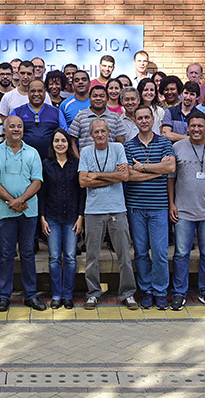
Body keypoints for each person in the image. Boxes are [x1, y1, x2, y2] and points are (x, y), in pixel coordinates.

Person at [169, 111, 205, 310]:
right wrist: (172, 203)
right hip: (184, 210)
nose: (196, 129)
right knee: (181, 253)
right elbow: (171, 178)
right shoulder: (177, 147)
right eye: (193, 125)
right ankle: (179, 293)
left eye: (200, 126)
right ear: (187, 127)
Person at [77, 119, 138, 310]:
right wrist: (111, 175)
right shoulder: (86, 152)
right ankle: (93, 293)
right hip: (94, 210)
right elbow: (83, 182)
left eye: (103, 131)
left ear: (109, 132)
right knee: (92, 256)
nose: (100, 135)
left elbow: (124, 176)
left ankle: (128, 293)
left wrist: (96, 175)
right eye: (96, 132)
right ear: (91, 134)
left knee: (124, 256)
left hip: (117, 209)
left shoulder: (118, 148)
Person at [0, 116, 46, 311]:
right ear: (5, 130)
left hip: (28, 212)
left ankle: (31, 295)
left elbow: (37, 181)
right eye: (11, 126)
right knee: (6, 254)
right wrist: (11, 201)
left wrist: (19, 201)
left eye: (19, 126)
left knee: (28, 253)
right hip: (4, 213)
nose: (15, 129)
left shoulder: (32, 152)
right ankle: (4, 296)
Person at [123, 105, 175, 309]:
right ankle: (146, 290)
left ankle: (160, 291)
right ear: (134, 121)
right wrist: (157, 170)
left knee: (160, 252)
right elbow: (129, 175)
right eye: (140, 118)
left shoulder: (164, 142)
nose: (144, 120)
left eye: (147, 117)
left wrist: (143, 167)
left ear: (153, 119)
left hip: (159, 206)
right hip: (136, 207)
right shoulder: (128, 146)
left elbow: (170, 167)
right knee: (142, 252)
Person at [39, 129, 83, 309]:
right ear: (52, 144)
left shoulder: (76, 163)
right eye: (57, 141)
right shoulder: (46, 164)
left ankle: (67, 295)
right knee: (55, 257)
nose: (60, 144)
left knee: (71, 257)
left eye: (63, 141)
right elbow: (41, 192)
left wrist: (81, 217)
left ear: (68, 143)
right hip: (52, 217)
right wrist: (42, 217)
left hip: (72, 217)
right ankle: (56, 295)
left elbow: (82, 192)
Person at [14, 79, 68, 159]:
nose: (36, 94)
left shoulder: (56, 112)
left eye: (40, 91)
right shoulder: (17, 112)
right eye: (33, 91)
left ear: (45, 92)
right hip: (23, 160)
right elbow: (9, 136)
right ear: (28, 92)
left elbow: (65, 136)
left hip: (51, 161)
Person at [68, 84, 126, 154]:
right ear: (89, 98)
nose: (98, 98)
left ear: (107, 99)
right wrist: (79, 159)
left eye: (102, 96)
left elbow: (120, 141)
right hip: (86, 162)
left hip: (110, 162)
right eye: (95, 96)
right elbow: (72, 141)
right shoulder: (80, 116)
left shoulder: (115, 117)